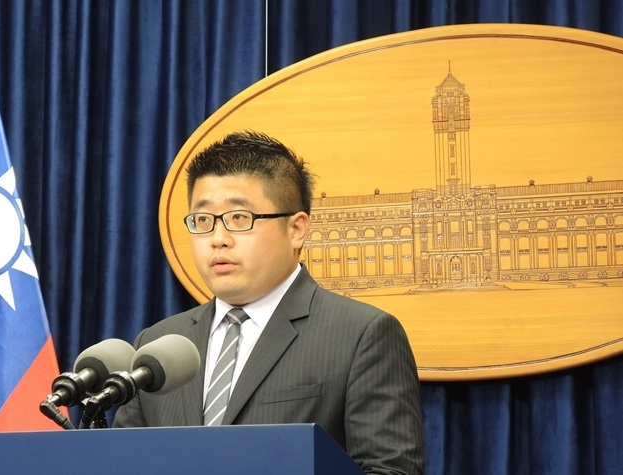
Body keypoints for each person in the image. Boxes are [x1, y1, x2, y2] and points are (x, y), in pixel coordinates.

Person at [113, 130, 424, 473]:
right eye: (203, 220)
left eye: (239, 218)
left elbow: (390, 469)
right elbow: (123, 463)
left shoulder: (362, 336)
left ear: (296, 230)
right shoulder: (159, 346)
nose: (218, 239)